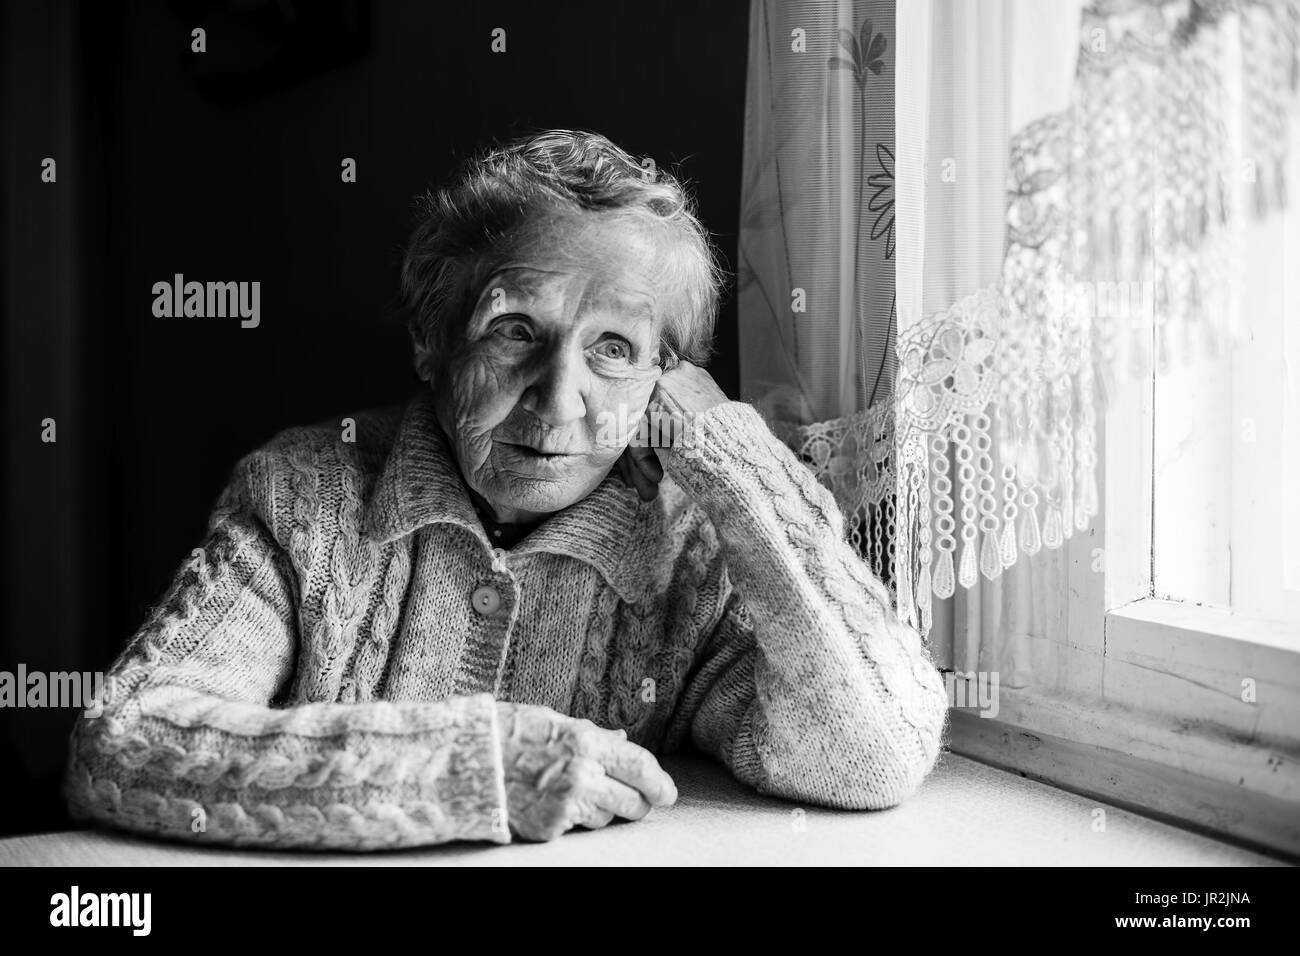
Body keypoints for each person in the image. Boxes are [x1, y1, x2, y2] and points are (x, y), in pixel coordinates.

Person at [64, 129, 948, 849]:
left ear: (667, 383)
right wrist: (474, 766)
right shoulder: (303, 497)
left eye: (616, 349)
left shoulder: (695, 556)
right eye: (515, 329)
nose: (559, 399)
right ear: (432, 341)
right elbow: (123, 744)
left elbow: (875, 752)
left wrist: (730, 455)